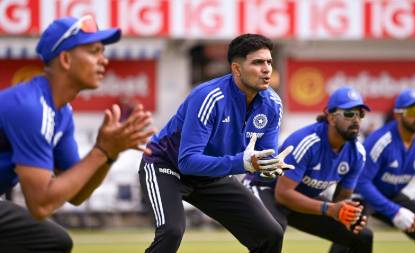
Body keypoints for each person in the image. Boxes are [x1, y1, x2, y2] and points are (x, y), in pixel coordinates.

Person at [0, 16, 154, 252]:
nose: (104, 60)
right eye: (94, 51)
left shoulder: (61, 112)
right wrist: (102, 151)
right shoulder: (30, 106)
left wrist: (108, 154)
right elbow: (40, 204)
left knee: (53, 242)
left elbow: (77, 194)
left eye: (103, 52)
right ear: (65, 59)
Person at [139, 33, 293, 253]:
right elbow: (188, 162)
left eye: (269, 61)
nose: (267, 68)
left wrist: (270, 168)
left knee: (271, 234)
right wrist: (244, 163)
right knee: (171, 232)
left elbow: (263, 156)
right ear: (237, 69)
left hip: (212, 175)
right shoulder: (208, 96)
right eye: (258, 62)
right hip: (165, 166)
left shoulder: (273, 104)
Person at [244, 86, 373, 253]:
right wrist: (328, 209)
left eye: (360, 114)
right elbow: (283, 195)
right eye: (349, 114)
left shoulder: (358, 153)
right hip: (266, 188)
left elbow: (339, 201)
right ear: (331, 117)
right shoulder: (306, 142)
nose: (356, 119)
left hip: (299, 199)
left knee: (361, 235)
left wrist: (346, 214)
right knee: (273, 231)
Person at [355, 88, 415, 253]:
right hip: (362, 195)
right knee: (355, 233)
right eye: (413, 111)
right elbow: (362, 182)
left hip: (391, 195)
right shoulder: (381, 141)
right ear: (398, 115)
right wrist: (394, 211)